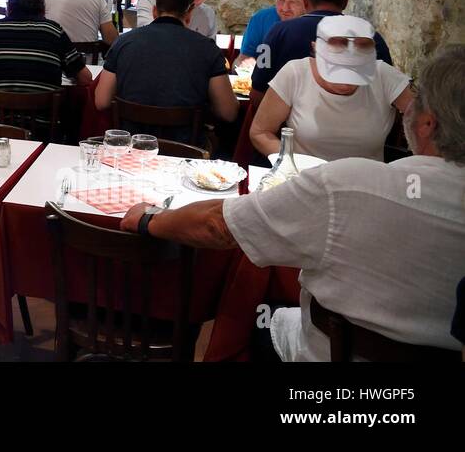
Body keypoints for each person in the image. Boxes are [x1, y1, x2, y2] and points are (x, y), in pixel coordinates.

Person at [121, 44, 465, 361]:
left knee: (249, 309)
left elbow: (219, 227)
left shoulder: (347, 185)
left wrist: (149, 219)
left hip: (326, 354)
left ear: (427, 122)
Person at [248, 15, 413, 162]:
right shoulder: (296, 73)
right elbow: (260, 132)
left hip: (365, 184)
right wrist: (291, 163)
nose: (346, 82)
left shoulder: (383, 75)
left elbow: (428, 122)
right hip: (305, 180)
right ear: (316, 50)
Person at [95, 0, 239, 140]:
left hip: (132, 146)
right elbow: (228, 112)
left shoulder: (123, 42)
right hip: (185, 150)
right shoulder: (207, 48)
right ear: (189, 13)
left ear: (155, 11)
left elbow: (101, 101)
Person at [251, 0, 393, 92]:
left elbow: (257, 93)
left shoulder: (279, 32)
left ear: (305, 1)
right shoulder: (371, 38)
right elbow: (390, 92)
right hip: (365, 120)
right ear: (345, 2)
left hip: (292, 119)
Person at [0, 0, 91, 106]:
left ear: (9, 8)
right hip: (43, 128)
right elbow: (85, 78)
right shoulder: (54, 31)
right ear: (43, 9)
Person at [235, 0, 305, 69]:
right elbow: (242, 60)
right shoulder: (260, 19)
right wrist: (244, 64)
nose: (285, 8)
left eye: (293, 2)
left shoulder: (315, 24)